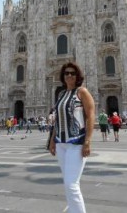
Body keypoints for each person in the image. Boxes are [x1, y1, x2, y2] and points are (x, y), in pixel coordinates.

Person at [49, 62, 95, 213]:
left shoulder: (82, 92)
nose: (69, 75)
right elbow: (58, 119)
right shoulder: (62, 94)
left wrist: (87, 141)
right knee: (68, 182)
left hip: (76, 142)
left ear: (77, 76)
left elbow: (90, 116)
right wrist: (52, 140)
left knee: (71, 184)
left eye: (72, 73)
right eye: (66, 73)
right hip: (61, 143)